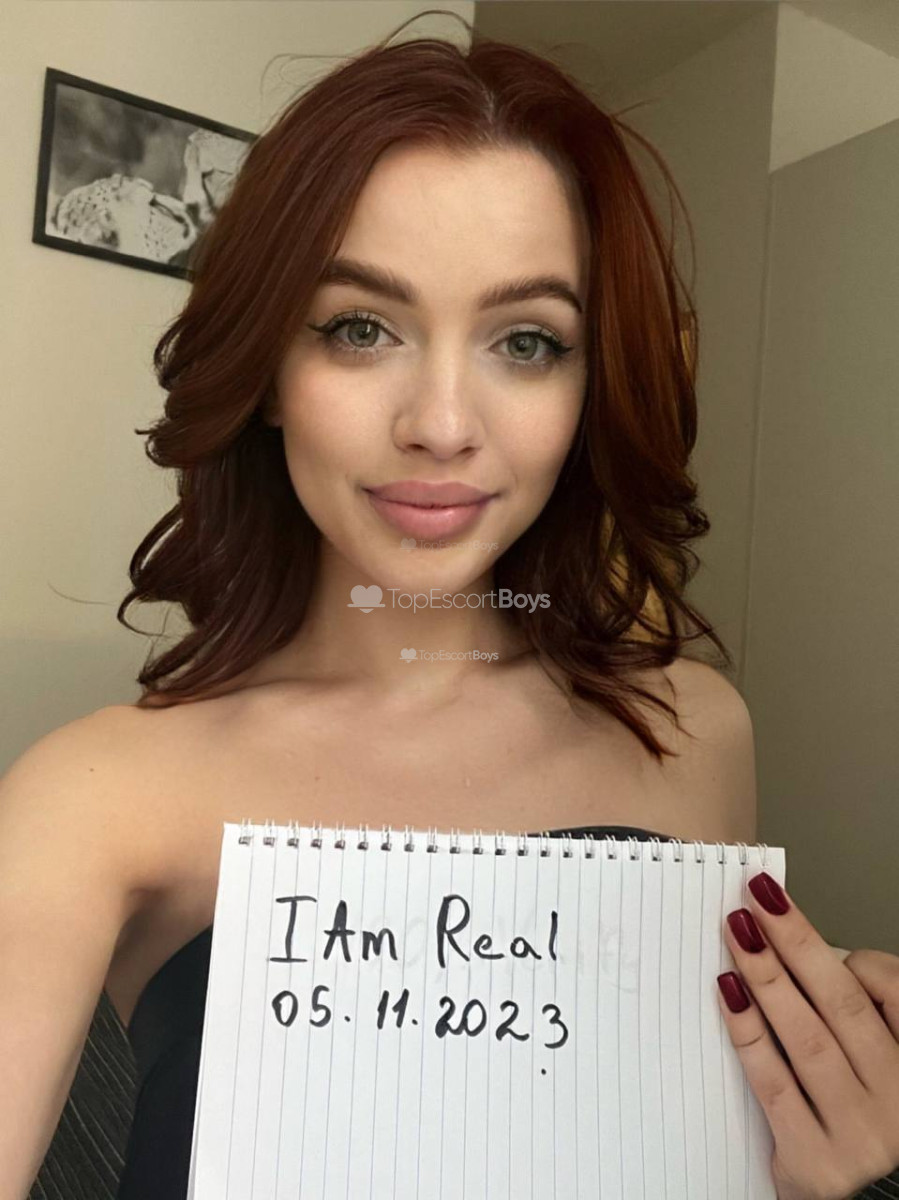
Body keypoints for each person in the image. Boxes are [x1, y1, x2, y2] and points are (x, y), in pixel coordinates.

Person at [4, 15, 898, 1200]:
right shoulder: (95, 798)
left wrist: (796, 1183)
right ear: (269, 372)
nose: (439, 424)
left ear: (587, 389)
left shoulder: (692, 730)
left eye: (526, 341)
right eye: (358, 328)